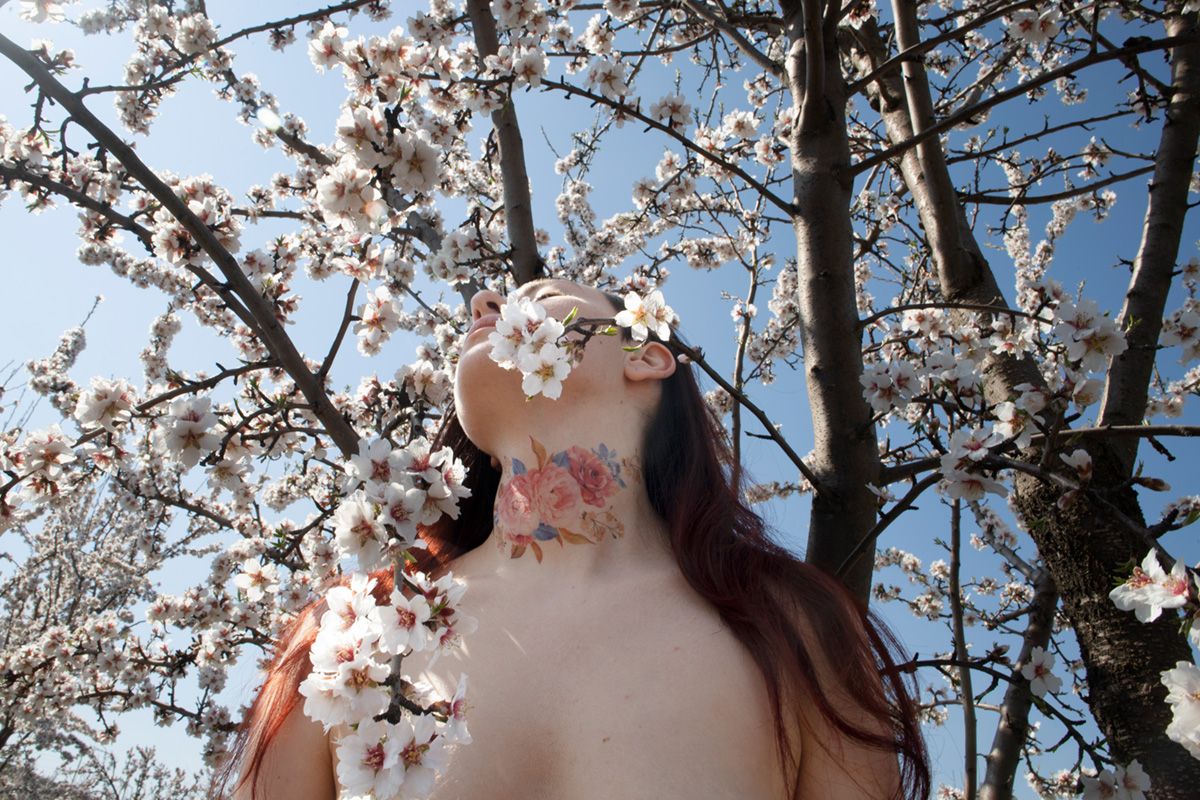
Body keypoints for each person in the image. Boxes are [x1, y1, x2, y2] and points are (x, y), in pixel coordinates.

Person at [220, 278, 930, 800]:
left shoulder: (791, 624)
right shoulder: (352, 635)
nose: (485, 305)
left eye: (542, 296)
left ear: (645, 356)